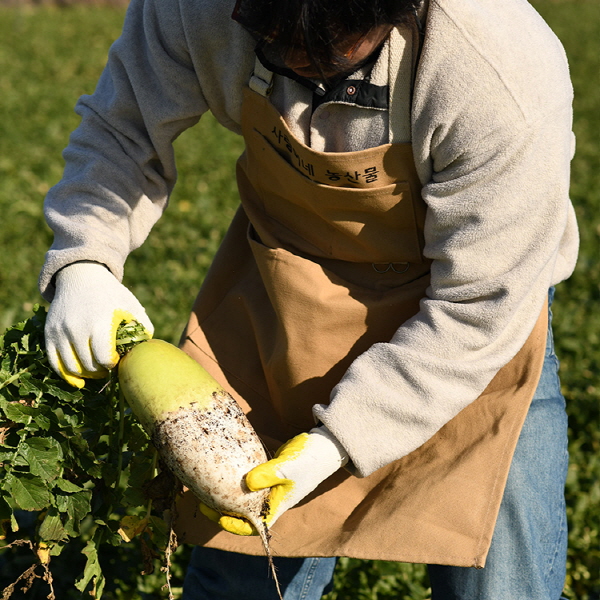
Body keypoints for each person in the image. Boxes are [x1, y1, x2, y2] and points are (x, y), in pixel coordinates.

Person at [39, 0, 579, 598]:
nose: (296, 60)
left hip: (468, 333)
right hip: (285, 302)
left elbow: (479, 307)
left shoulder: (499, 72)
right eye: (273, 39)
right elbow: (124, 127)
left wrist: (339, 441)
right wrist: (85, 257)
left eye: (329, 48)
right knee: (241, 586)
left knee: (503, 583)